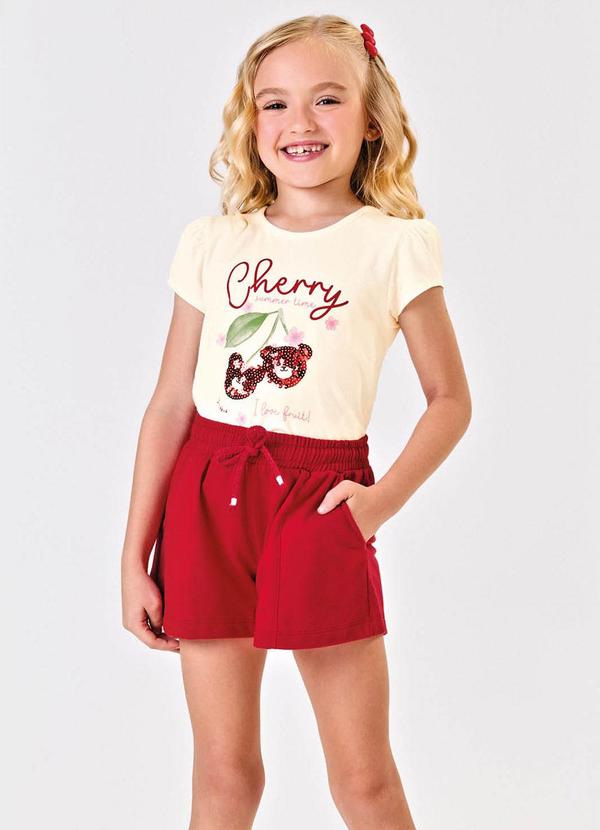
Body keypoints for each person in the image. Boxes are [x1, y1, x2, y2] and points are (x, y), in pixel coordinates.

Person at [121, 14, 471, 830]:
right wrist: (134, 554)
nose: (300, 122)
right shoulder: (213, 242)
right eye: (275, 103)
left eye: (327, 99)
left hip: (320, 502)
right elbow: (171, 403)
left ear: (371, 119)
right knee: (224, 775)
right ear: (251, 122)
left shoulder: (395, 246)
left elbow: (450, 400)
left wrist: (374, 507)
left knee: (364, 780)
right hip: (207, 503)